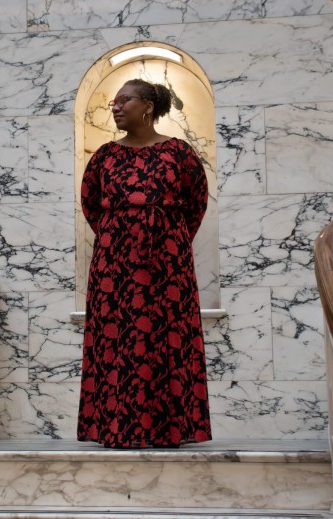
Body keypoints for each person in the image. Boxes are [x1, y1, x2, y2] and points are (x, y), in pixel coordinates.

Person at [78, 78, 211, 448]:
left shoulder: (180, 154)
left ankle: (170, 430)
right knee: (117, 339)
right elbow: (91, 206)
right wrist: (121, 236)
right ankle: (115, 429)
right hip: (113, 265)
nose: (116, 107)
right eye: (113, 103)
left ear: (148, 106)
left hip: (168, 264)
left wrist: (168, 239)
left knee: (166, 337)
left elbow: (196, 204)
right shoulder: (103, 156)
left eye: (124, 100)